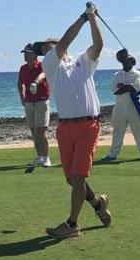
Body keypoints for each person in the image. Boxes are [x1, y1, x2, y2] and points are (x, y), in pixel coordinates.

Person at [32, 2, 111, 238]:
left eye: (48, 46)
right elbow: (65, 41)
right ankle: (98, 204)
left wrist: (92, 18)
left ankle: (72, 225)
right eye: (43, 49)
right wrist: (83, 18)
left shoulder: (82, 61)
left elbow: (99, 45)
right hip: (65, 128)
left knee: (78, 178)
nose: (45, 51)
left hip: (88, 125)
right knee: (71, 179)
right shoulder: (49, 65)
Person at [101, 49, 140, 161]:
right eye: (125, 60)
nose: (126, 62)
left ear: (132, 62)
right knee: (118, 131)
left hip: (134, 105)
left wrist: (122, 86)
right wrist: (126, 87)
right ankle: (113, 154)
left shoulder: (139, 74)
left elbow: (134, 88)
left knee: (139, 130)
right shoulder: (117, 75)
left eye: (129, 60)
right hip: (119, 105)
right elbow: (114, 91)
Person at [18, 43, 51, 167]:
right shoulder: (23, 68)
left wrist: (35, 83)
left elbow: (42, 76)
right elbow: (20, 82)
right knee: (33, 131)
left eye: (28, 53)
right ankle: (40, 157)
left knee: (40, 130)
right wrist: (22, 97)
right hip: (29, 102)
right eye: (24, 53)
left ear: (34, 55)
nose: (25, 56)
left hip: (41, 102)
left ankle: (46, 158)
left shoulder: (42, 65)